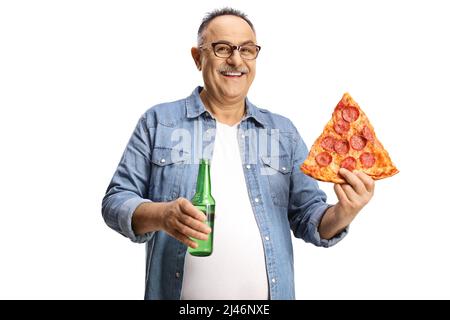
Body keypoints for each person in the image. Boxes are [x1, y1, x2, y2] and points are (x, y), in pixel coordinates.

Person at [102, 7, 374, 300]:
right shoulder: (159, 122)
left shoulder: (282, 132)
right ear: (198, 57)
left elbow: (310, 217)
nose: (236, 60)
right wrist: (161, 215)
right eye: (222, 49)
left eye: (247, 50)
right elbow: (116, 201)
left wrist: (345, 212)